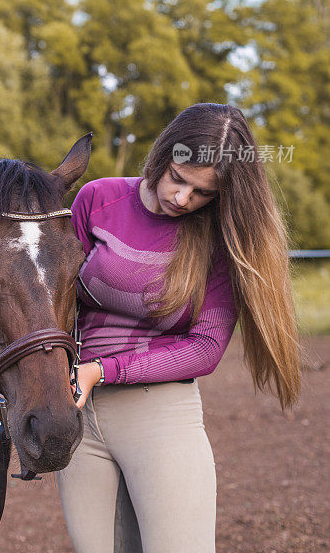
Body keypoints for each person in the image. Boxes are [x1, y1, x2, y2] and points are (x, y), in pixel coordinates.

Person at [56, 102, 301, 553]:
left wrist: (101, 370)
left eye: (203, 193)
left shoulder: (217, 239)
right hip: (79, 417)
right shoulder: (97, 199)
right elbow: (56, 300)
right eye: (179, 179)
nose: (183, 199)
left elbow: (205, 349)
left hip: (160, 417)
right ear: (164, 153)